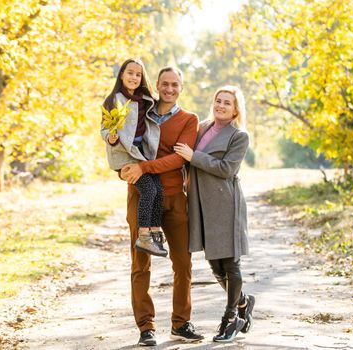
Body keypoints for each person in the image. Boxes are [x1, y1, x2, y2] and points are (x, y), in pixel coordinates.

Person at [121, 66, 203, 346]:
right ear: (156, 85)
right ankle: (146, 327)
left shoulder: (189, 120)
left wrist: (143, 167)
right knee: (140, 264)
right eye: (165, 84)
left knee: (183, 263)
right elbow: (121, 147)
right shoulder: (139, 111)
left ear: (182, 87)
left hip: (174, 198)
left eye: (175, 85)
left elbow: (178, 160)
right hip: (141, 196)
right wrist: (125, 169)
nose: (169, 89)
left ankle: (181, 324)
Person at [174, 85, 255, 343]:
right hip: (200, 202)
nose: (221, 105)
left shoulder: (239, 136)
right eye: (218, 100)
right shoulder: (202, 127)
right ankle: (243, 301)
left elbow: (226, 169)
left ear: (235, 109)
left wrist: (193, 156)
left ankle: (231, 318)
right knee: (214, 263)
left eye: (227, 103)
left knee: (230, 262)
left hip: (225, 203)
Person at [101, 58, 167, 257]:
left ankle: (155, 230)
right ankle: (144, 236)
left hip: (140, 153)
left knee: (159, 190)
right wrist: (110, 137)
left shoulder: (145, 99)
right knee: (148, 190)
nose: (134, 77)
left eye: (138, 74)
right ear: (122, 74)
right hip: (123, 154)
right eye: (130, 73)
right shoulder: (114, 99)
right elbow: (104, 128)